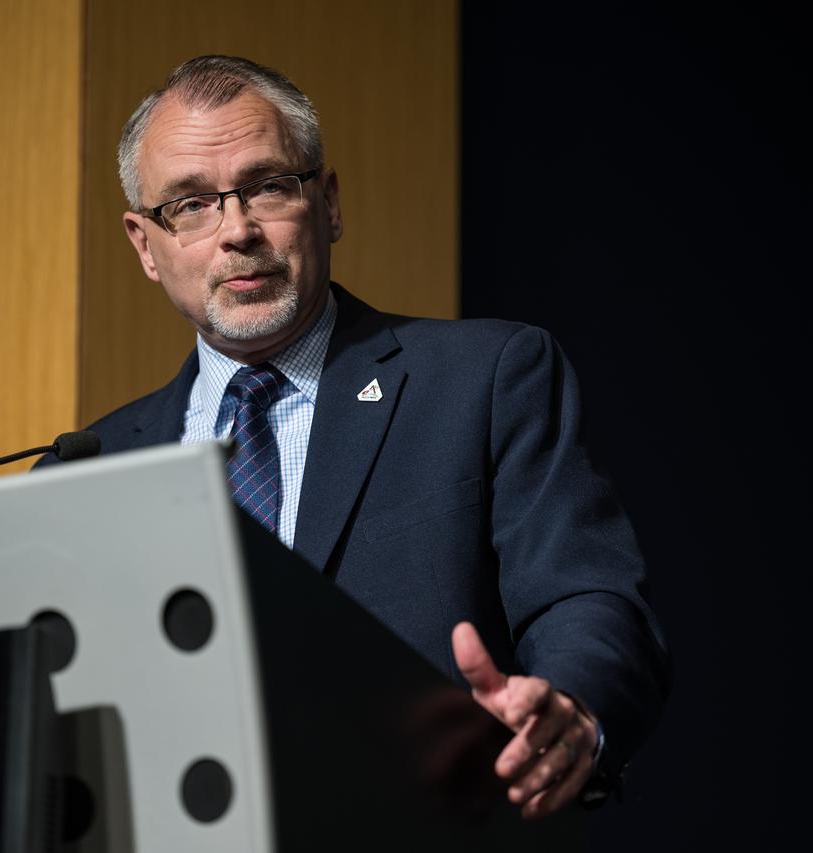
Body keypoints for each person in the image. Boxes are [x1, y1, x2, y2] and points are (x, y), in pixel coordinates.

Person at [49, 55, 669, 819]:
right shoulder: (92, 466)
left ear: (329, 203)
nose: (237, 230)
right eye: (191, 205)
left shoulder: (484, 380)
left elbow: (589, 598)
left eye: (269, 186)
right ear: (146, 244)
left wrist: (569, 707)